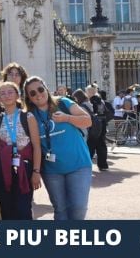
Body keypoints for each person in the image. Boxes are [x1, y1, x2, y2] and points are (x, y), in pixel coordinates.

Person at [0, 81, 42, 258]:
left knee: (23, 209)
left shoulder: (28, 117)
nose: (7, 95)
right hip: (4, 169)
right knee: (7, 209)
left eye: (10, 92)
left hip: (24, 169)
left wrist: (36, 171)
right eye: (3, 93)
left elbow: (36, 146)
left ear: (17, 95)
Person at [23, 76, 92, 221]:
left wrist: (67, 118)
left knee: (78, 208)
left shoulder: (63, 102)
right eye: (32, 93)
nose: (38, 94)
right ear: (29, 97)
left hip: (79, 165)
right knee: (60, 209)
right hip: (51, 170)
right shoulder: (30, 115)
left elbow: (87, 121)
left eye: (40, 89)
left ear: (46, 88)